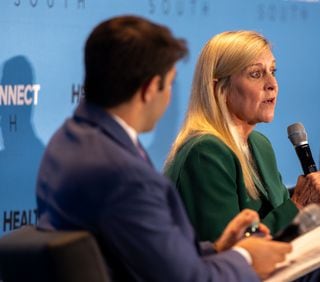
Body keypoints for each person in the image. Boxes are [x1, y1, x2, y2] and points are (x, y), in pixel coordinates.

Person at [36, 15, 295, 281]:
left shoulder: (67, 141)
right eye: (169, 83)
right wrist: (247, 258)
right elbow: (186, 278)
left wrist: (217, 249)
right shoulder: (125, 175)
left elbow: (151, 253)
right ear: (150, 89)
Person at [165, 30, 320, 282]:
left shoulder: (258, 144)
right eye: (256, 74)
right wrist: (297, 203)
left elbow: (291, 230)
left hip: (278, 267)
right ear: (218, 86)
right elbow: (229, 258)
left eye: (272, 71)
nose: (272, 84)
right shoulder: (205, 152)